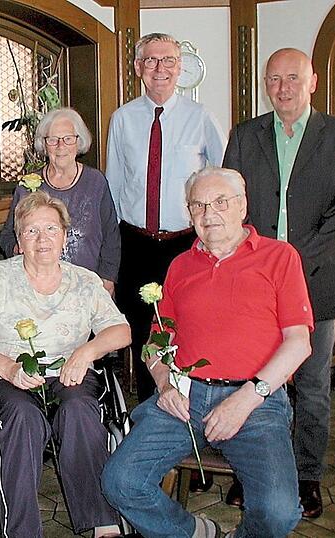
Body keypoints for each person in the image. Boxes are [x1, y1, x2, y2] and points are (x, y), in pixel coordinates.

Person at [102, 167, 314, 538]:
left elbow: (299, 342)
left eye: (220, 202)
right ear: (189, 213)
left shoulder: (280, 257)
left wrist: (248, 397)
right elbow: (156, 340)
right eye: (198, 205)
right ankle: (196, 533)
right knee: (120, 481)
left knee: (278, 512)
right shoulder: (181, 266)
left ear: (242, 206)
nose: (208, 213)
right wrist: (166, 385)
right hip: (184, 396)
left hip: (256, 400)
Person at [221, 47, 335, 517]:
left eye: (293, 77)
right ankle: (250, 471)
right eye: (273, 79)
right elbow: (229, 200)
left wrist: (289, 263)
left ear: (313, 81)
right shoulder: (245, 134)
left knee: (312, 384)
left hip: (317, 279)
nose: (283, 87)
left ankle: (306, 475)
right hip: (255, 281)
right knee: (254, 376)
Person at [0, 191, 131, 538]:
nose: (42, 239)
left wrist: (85, 353)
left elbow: (121, 331)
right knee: (24, 417)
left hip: (67, 373)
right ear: (19, 240)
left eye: (51, 230)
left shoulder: (84, 280)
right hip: (4, 377)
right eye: (32, 231)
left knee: (80, 409)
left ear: (65, 237)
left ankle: (102, 522)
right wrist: (7, 367)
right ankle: (22, 530)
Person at [106, 32, 226, 402]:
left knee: (188, 328)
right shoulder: (122, 119)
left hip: (185, 244)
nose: (160, 69)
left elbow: (222, 182)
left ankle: (191, 407)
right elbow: (113, 184)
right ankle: (150, 412)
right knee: (144, 334)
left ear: (180, 67)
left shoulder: (200, 117)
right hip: (137, 244)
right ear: (139, 67)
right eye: (152, 61)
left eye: (169, 60)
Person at [0, 107, 120, 294]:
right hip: (38, 288)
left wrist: (108, 279)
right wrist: (20, 248)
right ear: (44, 145)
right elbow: (6, 236)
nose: (61, 146)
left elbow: (111, 236)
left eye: (68, 139)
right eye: (53, 140)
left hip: (87, 286)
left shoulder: (96, 182)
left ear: (79, 142)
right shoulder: (28, 186)